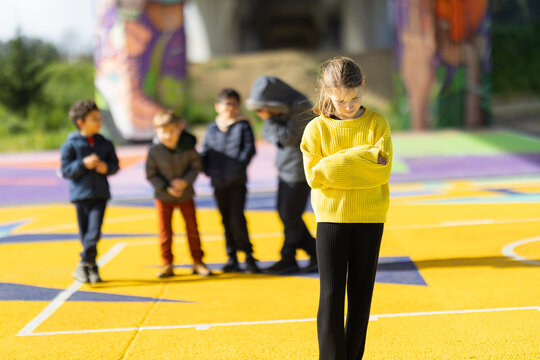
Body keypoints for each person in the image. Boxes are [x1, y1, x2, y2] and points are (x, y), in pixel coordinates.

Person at [300, 57, 392, 360]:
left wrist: (332, 164)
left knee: (361, 295)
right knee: (331, 295)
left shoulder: (378, 122)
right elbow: (313, 176)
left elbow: (381, 171)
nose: (349, 106)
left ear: (362, 87)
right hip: (331, 220)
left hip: (370, 217)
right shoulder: (316, 130)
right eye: (341, 100)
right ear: (327, 93)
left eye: (354, 98)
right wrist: (362, 158)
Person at [246, 76, 317, 274]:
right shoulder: (283, 110)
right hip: (286, 166)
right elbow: (271, 136)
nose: (263, 113)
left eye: (264, 109)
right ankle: (316, 253)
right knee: (286, 213)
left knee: (290, 214)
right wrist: (272, 123)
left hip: (299, 169)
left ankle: (289, 257)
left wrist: (269, 120)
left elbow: (287, 137)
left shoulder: (300, 106)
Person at [145, 110, 212, 278]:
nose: (168, 135)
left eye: (172, 131)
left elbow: (196, 166)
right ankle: (167, 263)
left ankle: (198, 261)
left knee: (192, 229)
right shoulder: (154, 151)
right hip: (164, 197)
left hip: (186, 195)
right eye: (163, 131)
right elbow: (151, 174)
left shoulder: (188, 148)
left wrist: (184, 182)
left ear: (179, 129)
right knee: (165, 232)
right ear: (156, 132)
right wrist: (167, 187)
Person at [201, 88, 260, 274]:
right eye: (227, 104)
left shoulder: (243, 125)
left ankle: (249, 257)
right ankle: (232, 257)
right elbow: (206, 152)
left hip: (237, 182)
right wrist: (208, 170)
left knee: (237, 219)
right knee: (225, 220)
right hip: (218, 182)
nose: (230, 108)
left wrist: (238, 167)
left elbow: (249, 149)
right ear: (217, 107)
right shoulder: (211, 129)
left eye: (234, 104)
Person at [60, 99, 120, 284]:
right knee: (85, 234)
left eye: (99, 118)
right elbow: (66, 171)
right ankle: (91, 267)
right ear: (80, 122)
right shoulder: (71, 145)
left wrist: (105, 168)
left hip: (100, 195)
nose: (99, 122)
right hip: (81, 195)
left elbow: (114, 165)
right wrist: (83, 164)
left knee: (94, 233)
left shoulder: (105, 143)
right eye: (94, 119)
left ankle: (84, 262)